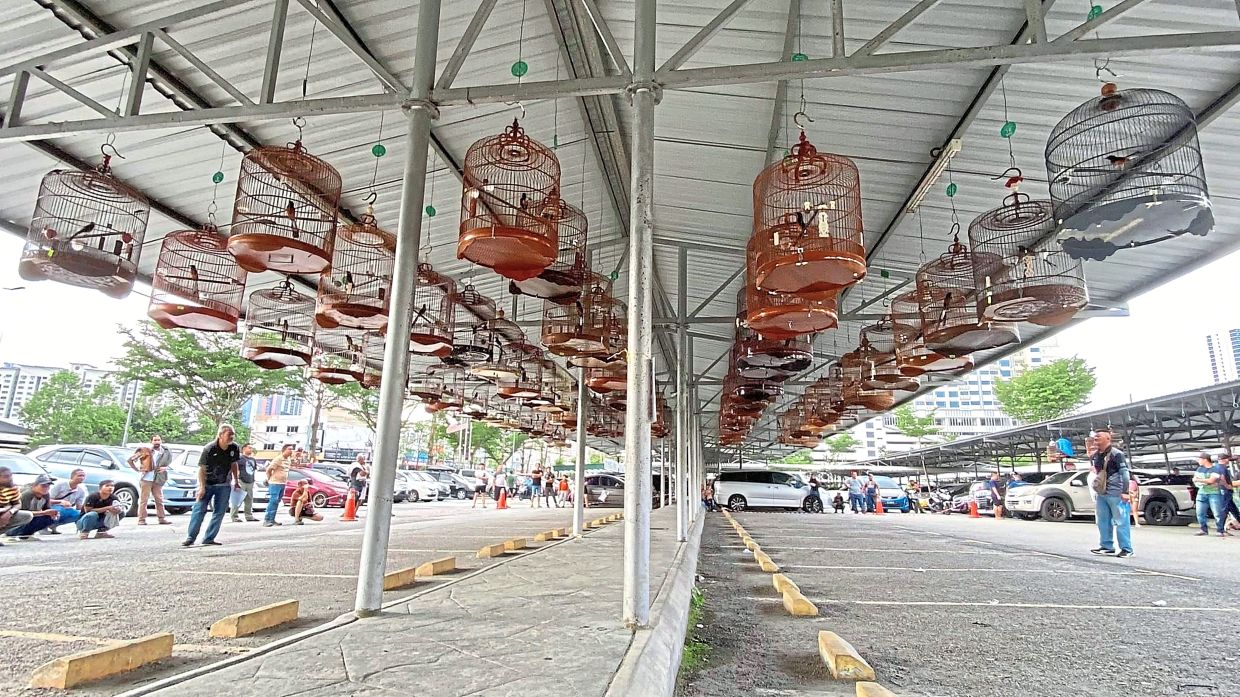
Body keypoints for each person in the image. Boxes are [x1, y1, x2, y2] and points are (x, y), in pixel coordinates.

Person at [183, 425, 241, 547]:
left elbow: (234, 464)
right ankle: (191, 537)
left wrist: (236, 480)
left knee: (219, 512)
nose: (231, 437)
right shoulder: (209, 448)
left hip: (224, 484)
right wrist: (202, 487)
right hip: (208, 483)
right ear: (220, 435)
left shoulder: (234, 448)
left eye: (232, 434)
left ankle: (209, 538)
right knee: (199, 510)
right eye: (228, 434)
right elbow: (202, 469)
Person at [1088, 427, 1134, 557]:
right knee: (1103, 521)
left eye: (1099, 436)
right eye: (1095, 437)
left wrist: (1125, 491)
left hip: (1116, 493)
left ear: (1108, 438)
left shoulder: (1116, 454)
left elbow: (1125, 473)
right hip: (1102, 493)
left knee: (1121, 521)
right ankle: (1106, 545)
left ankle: (1127, 548)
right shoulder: (1097, 455)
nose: (1096, 438)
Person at [128, 435, 171, 525]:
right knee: (144, 499)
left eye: (158, 440)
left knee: (159, 499)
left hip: (158, 478)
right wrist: (138, 470)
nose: (157, 442)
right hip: (146, 478)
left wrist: (165, 468)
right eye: (155, 440)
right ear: (151, 441)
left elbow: (168, 463)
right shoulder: (145, 450)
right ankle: (141, 519)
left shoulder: (165, 451)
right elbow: (130, 460)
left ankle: (161, 518)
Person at [6, 475, 61, 539]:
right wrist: (44, 513)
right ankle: (15, 532)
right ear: (35, 485)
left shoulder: (46, 495)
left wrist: (53, 514)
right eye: (43, 486)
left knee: (49, 518)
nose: (46, 488)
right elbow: (21, 513)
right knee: (30, 517)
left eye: (48, 486)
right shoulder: (27, 494)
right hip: (16, 521)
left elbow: (47, 509)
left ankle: (27, 534)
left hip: (31, 516)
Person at [1192, 452, 1229, 537]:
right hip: (1202, 492)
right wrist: (1204, 481)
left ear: (1205, 460)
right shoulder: (1199, 469)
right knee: (1200, 512)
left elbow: (1211, 480)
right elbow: (1195, 480)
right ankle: (1203, 529)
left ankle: (1220, 530)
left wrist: (1200, 480)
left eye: (1200, 459)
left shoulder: (1216, 468)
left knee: (1217, 513)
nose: (1198, 461)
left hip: (1214, 493)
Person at [46, 468, 87, 534]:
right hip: (54, 506)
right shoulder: (60, 485)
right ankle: (45, 525)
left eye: (83, 476)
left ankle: (54, 525)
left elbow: (79, 506)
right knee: (60, 510)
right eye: (79, 475)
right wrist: (60, 502)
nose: (82, 478)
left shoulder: (81, 490)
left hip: (67, 509)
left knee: (79, 514)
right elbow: (47, 500)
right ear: (72, 476)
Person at [262, 444, 294, 527]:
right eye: (289, 449)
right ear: (284, 450)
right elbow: (269, 469)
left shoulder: (288, 460)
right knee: (273, 501)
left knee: (277, 502)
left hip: (283, 483)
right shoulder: (278, 459)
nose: (291, 451)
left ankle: (272, 519)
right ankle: (267, 519)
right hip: (275, 483)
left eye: (292, 449)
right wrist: (269, 479)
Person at [231, 443, 259, 523]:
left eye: (251, 448)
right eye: (249, 448)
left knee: (249, 500)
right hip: (241, 481)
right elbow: (235, 469)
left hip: (250, 481)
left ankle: (249, 516)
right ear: (244, 449)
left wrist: (253, 480)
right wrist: (236, 480)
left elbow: (253, 470)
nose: (251, 449)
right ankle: (234, 516)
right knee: (238, 499)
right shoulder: (240, 458)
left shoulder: (253, 459)